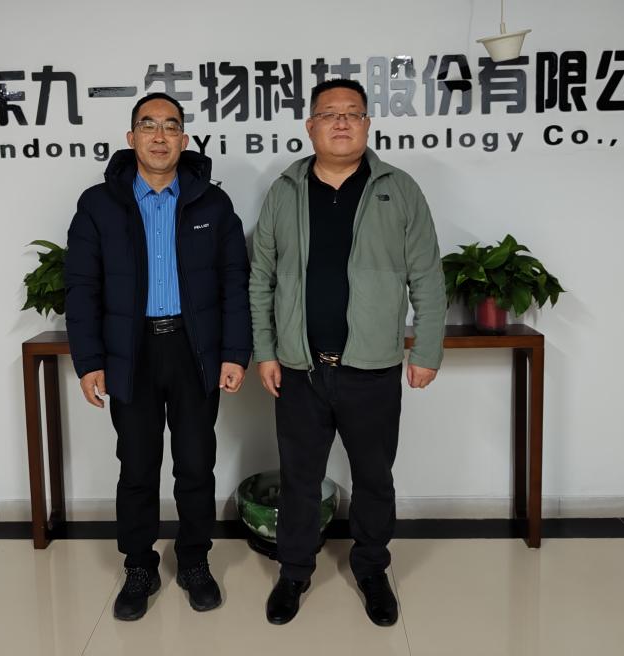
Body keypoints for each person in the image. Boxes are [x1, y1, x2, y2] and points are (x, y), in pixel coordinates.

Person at [249, 78, 446, 626]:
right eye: (329, 113)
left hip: (372, 369)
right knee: (299, 479)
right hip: (300, 368)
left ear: (367, 124)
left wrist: (426, 349)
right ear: (310, 126)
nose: (341, 122)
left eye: (352, 113)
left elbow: (427, 275)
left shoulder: (398, 189)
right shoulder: (285, 191)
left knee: (374, 478)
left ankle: (372, 569)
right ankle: (293, 572)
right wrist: (265, 350)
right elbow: (261, 277)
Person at [64, 92, 252, 621]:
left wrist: (235, 352)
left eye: (171, 126)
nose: (160, 136)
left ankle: (194, 560)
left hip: (195, 351)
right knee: (137, 466)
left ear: (185, 139)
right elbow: (82, 287)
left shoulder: (212, 204)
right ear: (132, 138)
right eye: (149, 125)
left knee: (195, 463)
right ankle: (139, 565)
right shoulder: (99, 205)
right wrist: (90, 360)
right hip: (132, 353)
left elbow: (234, 283)